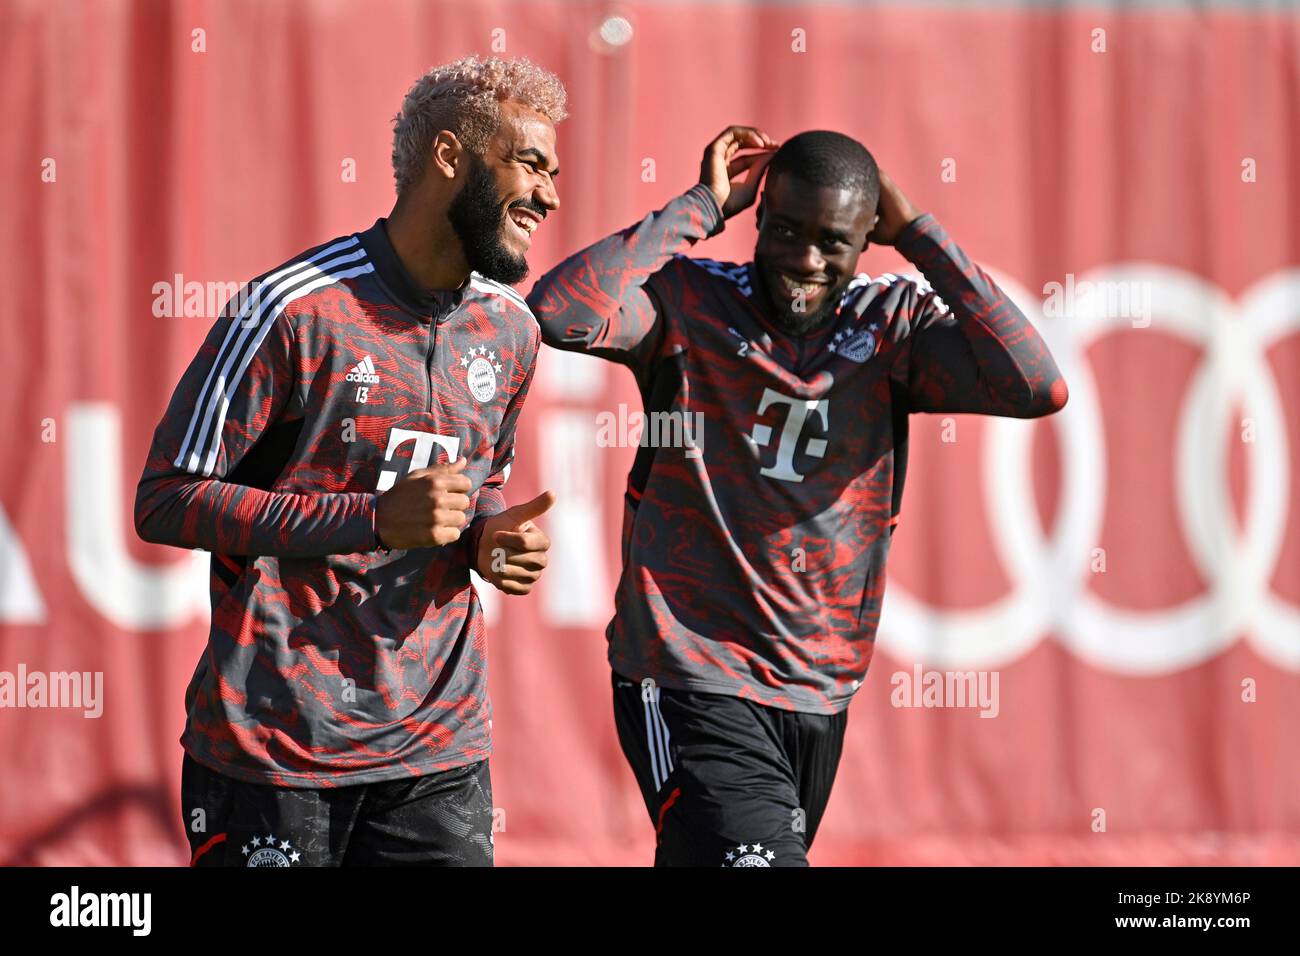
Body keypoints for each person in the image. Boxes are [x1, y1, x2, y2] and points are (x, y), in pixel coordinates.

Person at [527, 125, 1068, 866]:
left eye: (831, 241)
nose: (805, 261)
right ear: (758, 215)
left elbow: (1037, 385)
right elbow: (561, 313)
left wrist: (919, 235)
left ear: (866, 239)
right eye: (784, 230)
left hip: (818, 693)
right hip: (687, 673)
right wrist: (700, 205)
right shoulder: (690, 304)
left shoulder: (890, 328)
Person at [134, 56, 566, 867]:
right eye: (530, 164)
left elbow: (477, 487)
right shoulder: (293, 308)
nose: (550, 195)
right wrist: (370, 520)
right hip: (273, 747)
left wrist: (485, 537)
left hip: (439, 748)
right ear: (450, 157)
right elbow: (164, 499)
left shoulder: (512, 329)